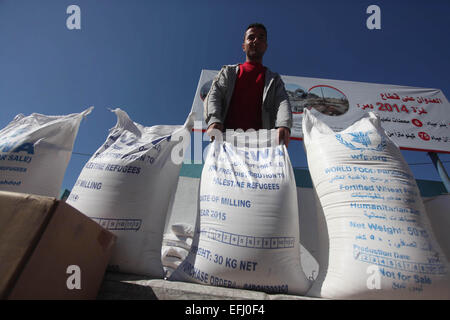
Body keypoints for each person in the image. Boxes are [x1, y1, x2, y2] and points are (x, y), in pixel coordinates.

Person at [204, 23, 292, 146]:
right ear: (243, 46)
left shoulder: (274, 79)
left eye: (261, 38)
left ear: (265, 46)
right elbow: (214, 94)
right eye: (251, 37)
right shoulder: (228, 72)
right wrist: (214, 119)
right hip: (225, 143)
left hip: (261, 148)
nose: (256, 40)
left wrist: (284, 124)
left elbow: (282, 101)